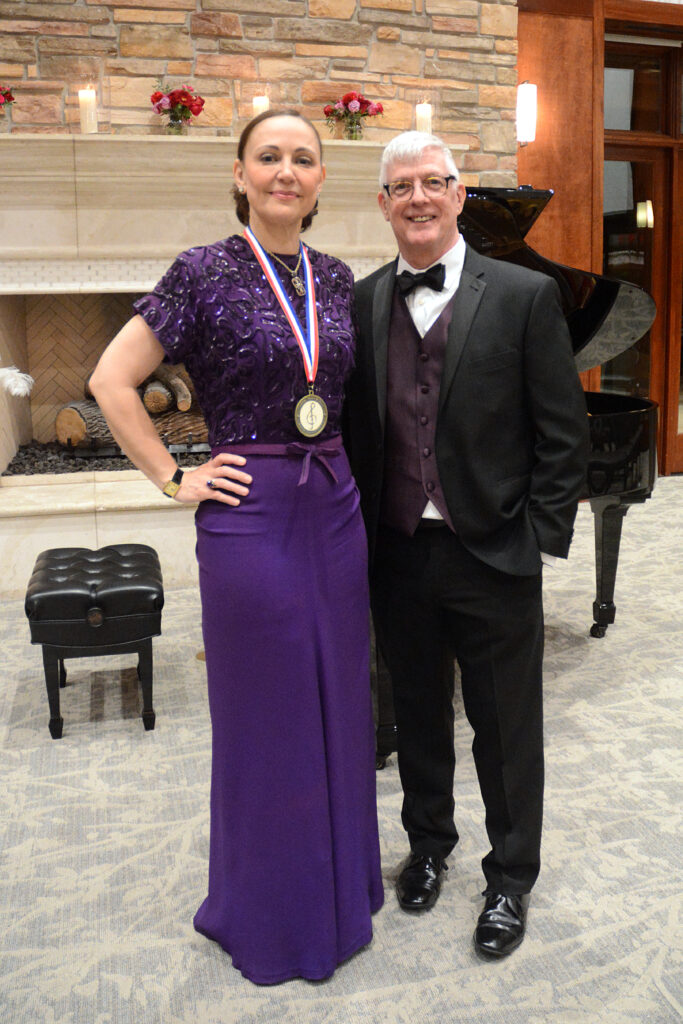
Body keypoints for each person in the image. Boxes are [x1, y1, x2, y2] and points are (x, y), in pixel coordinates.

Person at [90, 109, 383, 985]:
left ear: (321, 178)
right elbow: (111, 379)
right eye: (269, 157)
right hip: (249, 513)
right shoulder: (202, 272)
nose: (285, 171)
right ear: (240, 171)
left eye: (303, 158)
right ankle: (272, 916)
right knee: (269, 716)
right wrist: (174, 479)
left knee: (340, 703)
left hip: (332, 507)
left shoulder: (335, 279)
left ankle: (340, 885)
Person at [345, 131, 589, 958]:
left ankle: (510, 877)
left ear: (458, 195)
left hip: (493, 553)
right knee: (415, 714)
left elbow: (564, 434)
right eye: (400, 186)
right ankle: (428, 846)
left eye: (432, 183)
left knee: (505, 727)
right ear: (383, 204)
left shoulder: (522, 296)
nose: (417, 198)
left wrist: (536, 539)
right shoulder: (363, 299)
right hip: (399, 553)